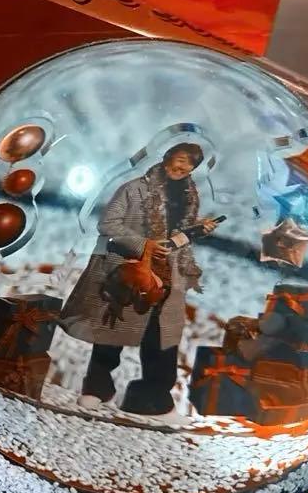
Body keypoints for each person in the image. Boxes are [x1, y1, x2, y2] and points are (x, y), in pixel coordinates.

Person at [59, 143, 218, 416]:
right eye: (180, 160)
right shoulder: (134, 189)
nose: (183, 167)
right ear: (167, 158)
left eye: (190, 164)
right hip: (130, 271)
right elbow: (108, 224)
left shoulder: (190, 196)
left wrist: (197, 229)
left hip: (166, 274)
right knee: (113, 328)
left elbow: (175, 235)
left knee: (162, 338)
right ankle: (96, 388)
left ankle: (153, 399)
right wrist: (144, 244)